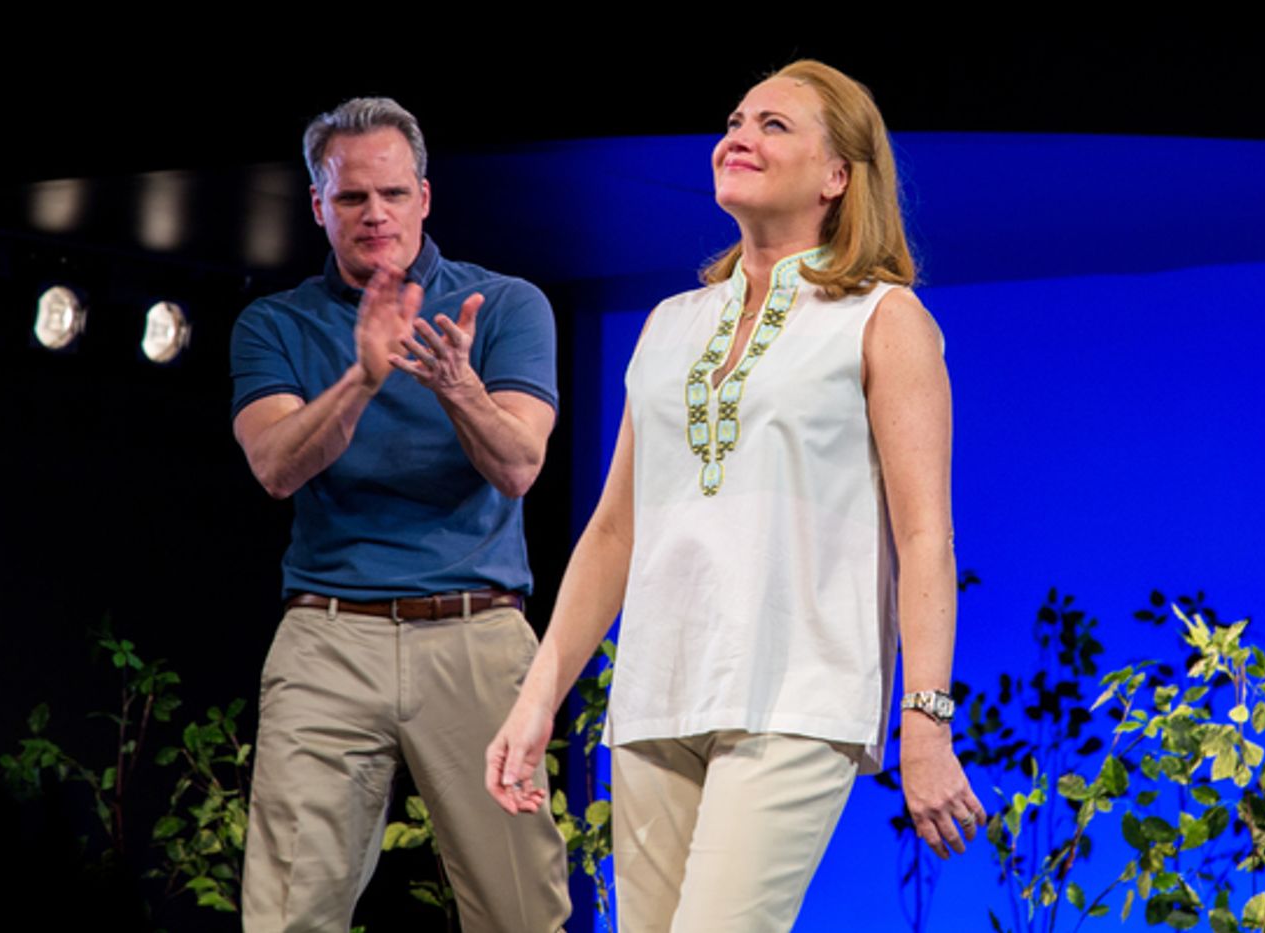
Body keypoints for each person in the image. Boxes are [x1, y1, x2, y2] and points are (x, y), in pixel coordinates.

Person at [485, 61, 986, 930]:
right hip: (655, 695)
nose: (738, 137)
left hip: (796, 696)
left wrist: (927, 719)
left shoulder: (881, 318)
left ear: (838, 176)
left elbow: (925, 538)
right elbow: (613, 532)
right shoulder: (672, 322)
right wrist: (536, 702)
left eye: (774, 126)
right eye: (735, 120)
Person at [230, 97, 570, 933]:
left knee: (521, 909)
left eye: (391, 193)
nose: (374, 213)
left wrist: (455, 383)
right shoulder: (273, 323)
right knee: (287, 912)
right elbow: (275, 467)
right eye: (351, 198)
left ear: (424, 196)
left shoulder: (504, 306)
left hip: (477, 630)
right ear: (319, 207)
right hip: (327, 638)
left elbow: (520, 464)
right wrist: (363, 376)